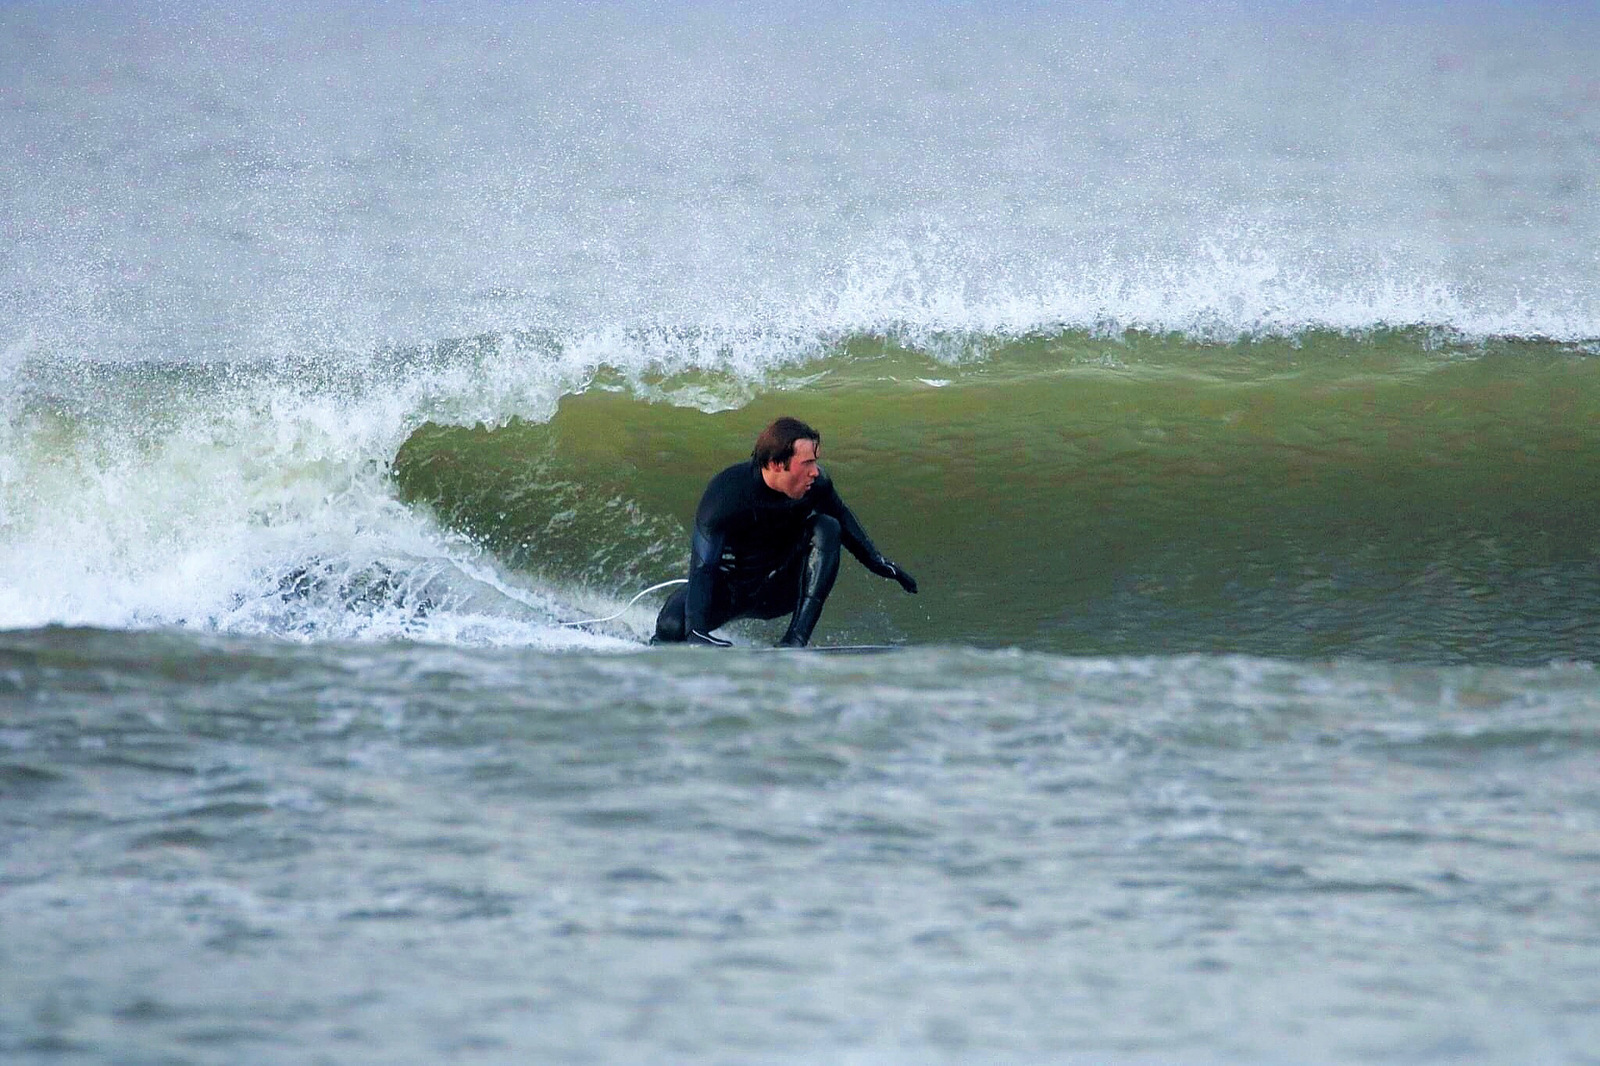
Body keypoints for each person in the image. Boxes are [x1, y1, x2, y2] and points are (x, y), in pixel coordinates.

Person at [652, 417, 917, 647]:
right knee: (671, 625)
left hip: (778, 590)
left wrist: (880, 564)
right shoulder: (726, 495)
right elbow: (703, 569)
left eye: (815, 462)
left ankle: (795, 639)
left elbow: (845, 523)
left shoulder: (817, 485)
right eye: (807, 463)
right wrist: (696, 632)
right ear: (777, 464)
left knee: (827, 526)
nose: (815, 471)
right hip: (728, 593)